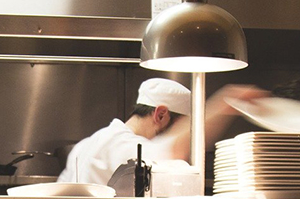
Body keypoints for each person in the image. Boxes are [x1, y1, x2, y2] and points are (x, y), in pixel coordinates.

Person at [58, 77, 264, 186]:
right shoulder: (122, 145)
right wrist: (227, 102)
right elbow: (172, 150)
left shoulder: (86, 144)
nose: (185, 135)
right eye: (182, 127)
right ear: (161, 115)